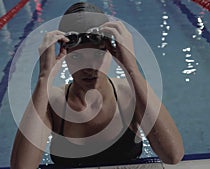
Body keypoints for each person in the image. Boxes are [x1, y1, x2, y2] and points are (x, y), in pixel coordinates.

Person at [10, 2, 184, 169]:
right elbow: (22, 167)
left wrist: (131, 68)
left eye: (97, 55)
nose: (89, 68)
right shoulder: (53, 100)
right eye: (77, 57)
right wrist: (44, 77)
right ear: (65, 57)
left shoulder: (128, 92)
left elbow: (172, 156)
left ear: (111, 52)